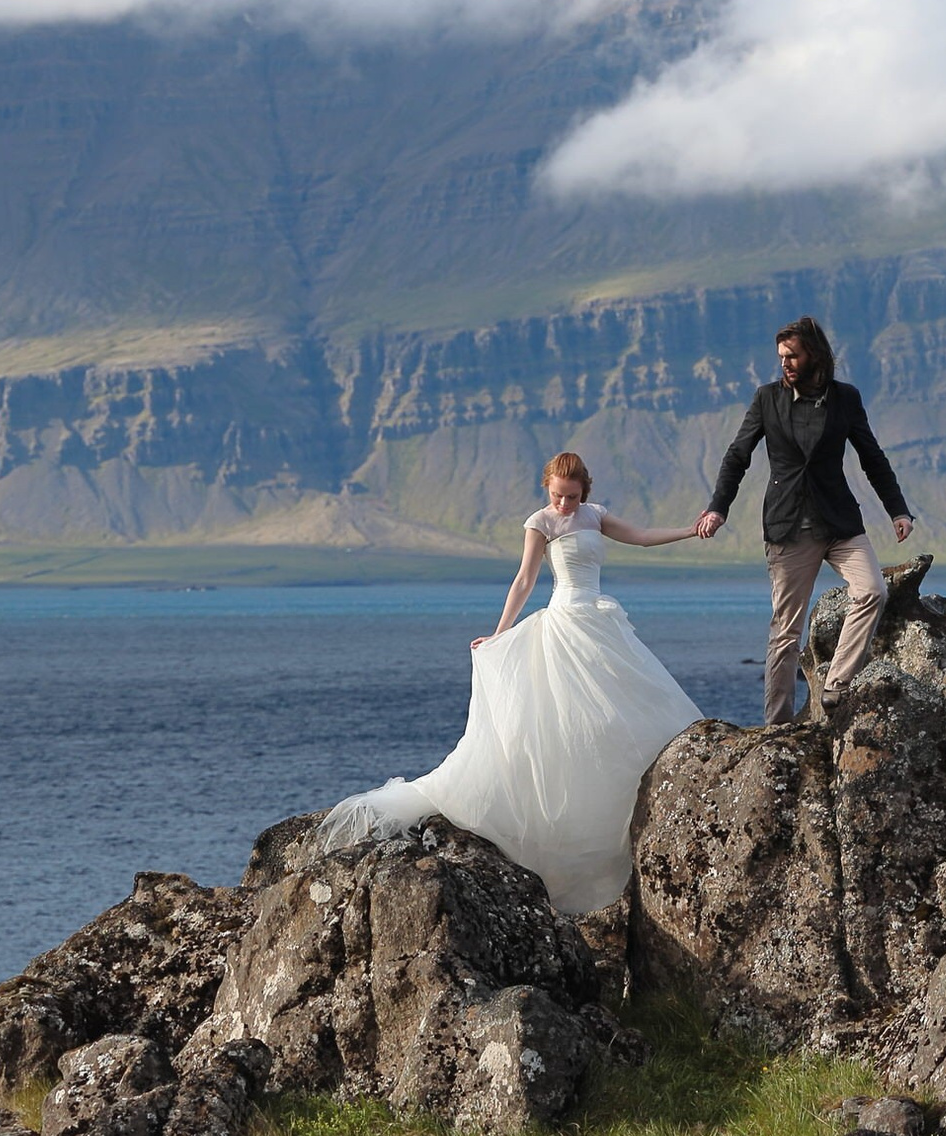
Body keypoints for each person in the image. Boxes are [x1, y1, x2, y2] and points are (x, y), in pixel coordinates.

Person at [316, 451, 703, 914]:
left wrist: (688, 530)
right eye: (558, 496)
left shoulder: (595, 516)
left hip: (599, 623)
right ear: (547, 489)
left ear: (586, 493)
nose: (564, 504)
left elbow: (639, 537)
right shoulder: (540, 522)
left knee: (617, 715)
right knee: (562, 722)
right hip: (564, 623)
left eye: (572, 497)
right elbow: (524, 579)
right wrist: (499, 635)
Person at [695, 316, 914, 725]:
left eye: (792, 356)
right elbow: (736, 457)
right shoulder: (767, 399)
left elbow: (873, 457)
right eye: (781, 357)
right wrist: (717, 508)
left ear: (814, 354)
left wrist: (897, 509)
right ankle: (776, 725)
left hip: (840, 523)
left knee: (872, 592)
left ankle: (836, 683)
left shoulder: (846, 399)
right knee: (786, 632)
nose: (785, 364)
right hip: (788, 527)